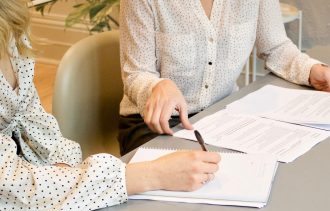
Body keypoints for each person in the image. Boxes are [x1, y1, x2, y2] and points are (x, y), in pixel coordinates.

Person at [0, 0, 220, 211]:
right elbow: (12, 184)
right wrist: (153, 174)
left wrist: (63, 167)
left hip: (35, 183)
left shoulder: (11, 21)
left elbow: (31, 116)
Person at [118, 0, 330, 155]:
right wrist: (157, 87)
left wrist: (313, 72)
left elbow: (276, 47)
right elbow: (136, 74)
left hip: (222, 118)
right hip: (154, 125)